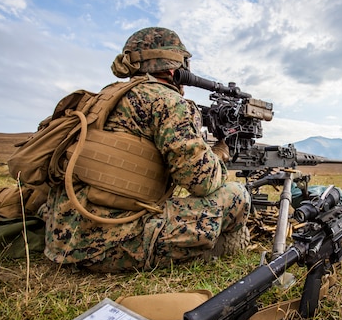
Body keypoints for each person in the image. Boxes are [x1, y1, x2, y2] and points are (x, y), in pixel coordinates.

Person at [38, 27, 251, 272]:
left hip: (62, 239)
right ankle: (217, 247)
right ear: (174, 68)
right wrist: (219, 155)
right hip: (108, 246)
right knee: (236, 195)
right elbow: (202, 183)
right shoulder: (169, 102)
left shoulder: (103, 97)